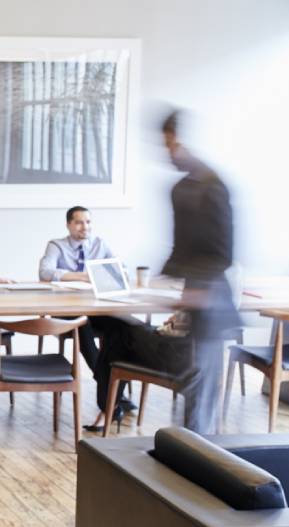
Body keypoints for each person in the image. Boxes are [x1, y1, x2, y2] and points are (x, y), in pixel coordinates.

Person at [89, 110, 237, 434]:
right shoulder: (180, 189)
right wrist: (163, 284)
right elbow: (179, 249)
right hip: (186, 311)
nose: (169, 154)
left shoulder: (214, 187)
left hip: (209, 313)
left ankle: (198, 459)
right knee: (115, 329)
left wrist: (195, 293)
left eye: (172, 145)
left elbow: (223, 252)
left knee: (200, 402)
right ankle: (114, 410)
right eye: (166, 146)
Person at [38, 206, 117, 379]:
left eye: (88, 222)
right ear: (68, 225)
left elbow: (118, 271)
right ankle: (107, 382)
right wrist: (82, 276)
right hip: (66, 310)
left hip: (95, 309)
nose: (85, 227)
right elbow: (45, 272)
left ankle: (116, 380)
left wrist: (103, 274)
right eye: (79, 222)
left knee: (120, 324)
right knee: (82, 323)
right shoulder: (57, 245)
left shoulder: (99, 244)